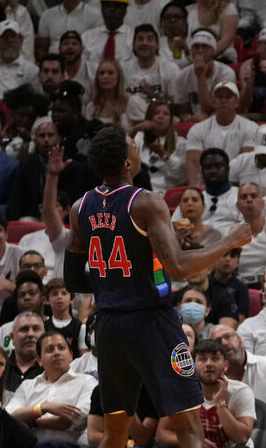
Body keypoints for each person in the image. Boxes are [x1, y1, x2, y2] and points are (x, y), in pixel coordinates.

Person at [64, 126, 252, 448]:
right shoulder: (146, 203)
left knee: (115, 433)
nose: (138, 150)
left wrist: (113, 286)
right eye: (133, 147)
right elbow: (178, 266)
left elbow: (73, 280)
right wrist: (229, 241)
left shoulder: (80, 208)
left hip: (109, 326)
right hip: (153, 322)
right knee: (190, 429)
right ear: (127, 163)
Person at [209, 324, 266, 448]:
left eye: (228, 337)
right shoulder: (209, 381)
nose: (224, 343)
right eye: (218, 341)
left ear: (240, 340)